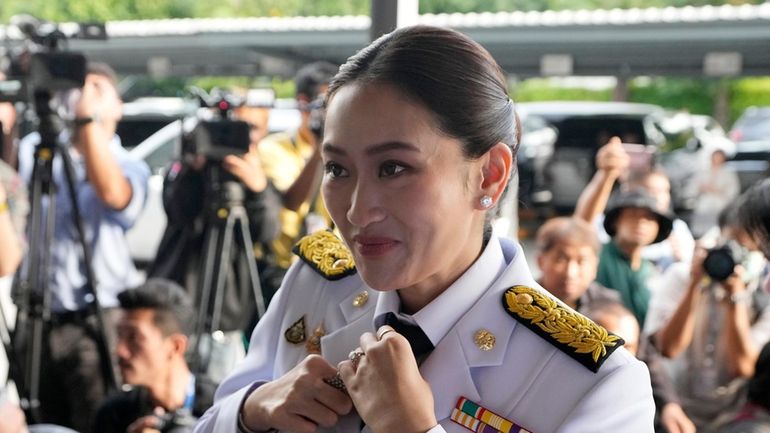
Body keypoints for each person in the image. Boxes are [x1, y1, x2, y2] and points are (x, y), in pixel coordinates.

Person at [194, 25, 654, 433]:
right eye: (337, 169)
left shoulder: (597, 383)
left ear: (489, 175)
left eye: (393, 168)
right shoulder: (318, 282)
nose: (356, 211)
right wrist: (252, 411)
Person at [15, 62, 150, 433]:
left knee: (96, 418)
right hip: (37, 316)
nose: (81, 96)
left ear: (118, 106)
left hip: (94, 318)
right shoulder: (35, 151)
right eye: (76, 88)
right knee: (39, 421)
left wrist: (87, 121)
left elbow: (114, 196)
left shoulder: (128, 163)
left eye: (96, 89)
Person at [147, 105, 282, 377]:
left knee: (219, 394)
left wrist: (257, 189)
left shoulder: (256, 174)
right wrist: (192, 169)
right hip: (182, 297)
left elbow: (267, 232)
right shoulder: (192, 168)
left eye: (248, 129)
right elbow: (178, 212)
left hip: (227, 314)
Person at [535, 217, 695, 433]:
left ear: (595, 266)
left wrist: (669, 404)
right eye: (561, 259)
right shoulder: (522, 302)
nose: (571, 272)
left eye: (581, 261)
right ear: (540, 260)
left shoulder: (608, 303)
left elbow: (643, 355)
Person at [646, 202, 770, 433]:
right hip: (675, 409)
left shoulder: (762, 296)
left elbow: (741, 367)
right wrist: (695, 284)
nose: (736, 256)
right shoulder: (681, 277)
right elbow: (669, 348)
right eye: (732, 245)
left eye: (748, 250)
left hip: (731, 417)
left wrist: (736, 298)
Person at [94, 279, 216, 433]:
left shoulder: (220, 408)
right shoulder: (114, 413)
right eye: (119, 336)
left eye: (134, 338)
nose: (120, 350)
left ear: (176, 346)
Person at [256, 61, 338, 282]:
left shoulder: (346, 151)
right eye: (324, 104)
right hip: (284, 270)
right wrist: (319, 148)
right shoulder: (273, 148)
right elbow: (291, 201)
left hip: (332, 269)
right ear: (303, 103)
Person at [575, 137, 694, 270]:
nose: (641, 223)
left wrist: (682, 260)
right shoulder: (605, 229)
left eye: (664, 191)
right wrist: (606, 174)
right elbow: (582, 226)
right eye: (651, 191)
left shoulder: (677, 229)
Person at [594, 188, 674, 327]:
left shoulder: (651, 270)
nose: (641, 222)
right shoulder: (596, 255)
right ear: (615, 221)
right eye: (632, 215)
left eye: (649, 218)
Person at [688, 149, 741, 238]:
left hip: (721, 203)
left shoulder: (729, 174)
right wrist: (702, 188)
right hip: (704, 203)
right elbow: (692, 188)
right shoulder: (702, 172)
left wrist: (717, 191)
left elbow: (733, 191)